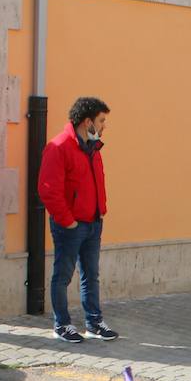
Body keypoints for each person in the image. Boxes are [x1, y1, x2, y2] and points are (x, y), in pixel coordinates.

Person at [38, 96, 118, 343]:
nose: (104, 125)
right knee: (62, 276)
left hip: (93, 223)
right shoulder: (59, 147)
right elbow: (48, 189)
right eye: (101, 120)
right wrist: (67, 220)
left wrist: (100, 210)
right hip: (71, 226)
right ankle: (61, 325)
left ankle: (94, 323)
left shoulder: (93, 147)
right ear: (87, 121)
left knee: (91, 275)